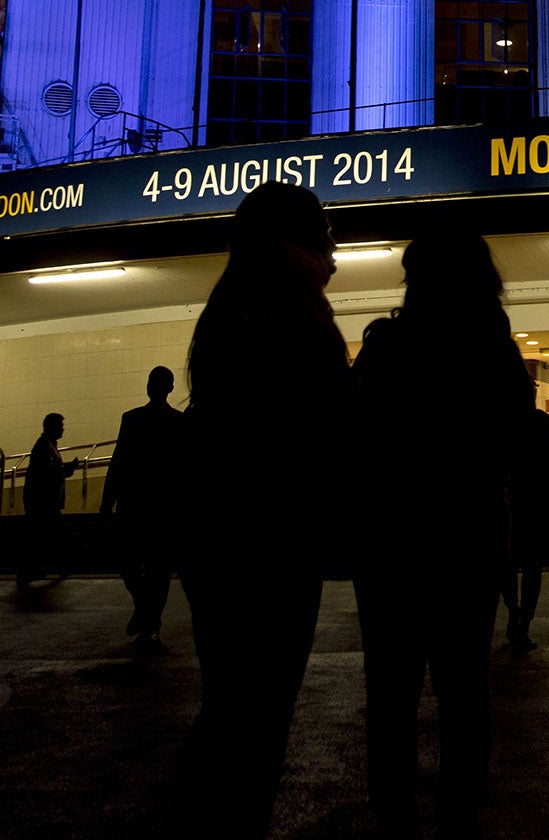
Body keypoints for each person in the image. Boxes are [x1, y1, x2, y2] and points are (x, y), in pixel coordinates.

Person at [170, 182, 353, 837]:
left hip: (222, 536)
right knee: (256, 712)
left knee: (233, 705)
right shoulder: (287, 308)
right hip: (271, 541)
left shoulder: (235, 301)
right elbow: (318, 423)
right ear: (294, 238)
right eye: (325, 231)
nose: (335, 245)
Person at [353, 229, 526, 836]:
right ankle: (460, 815)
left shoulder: (386, 346)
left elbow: (360, 441)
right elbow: (512, 442)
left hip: (391, 539)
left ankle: (393, 816)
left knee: (391, 692)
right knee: (464, 688)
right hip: (468, 534)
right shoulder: (496, 353)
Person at [100, 365, 184, 644]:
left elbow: (119, 462)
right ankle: (148, 612)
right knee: (152, 568)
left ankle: (147, 615)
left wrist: (107, 503)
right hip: (159, 507)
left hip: (139, 505)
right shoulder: (176, 422)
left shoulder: (133, 419)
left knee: (138, 565)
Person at [503, 375, 549, 651]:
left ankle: (514, 611)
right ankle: (523, 621)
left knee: (507, 566)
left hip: (510, 505)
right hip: (535, 505)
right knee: (532, 568)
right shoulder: (544, 424)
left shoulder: (501, 424)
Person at [16, 413, 79, 587]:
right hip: (43, 501)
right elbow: (46, 472)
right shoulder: (44, 446)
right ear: (51, 427)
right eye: (60, 425)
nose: (63, 429)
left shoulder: (47, 445)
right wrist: (67, 469)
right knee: (52, 534)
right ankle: (58, 567)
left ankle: (33, 568)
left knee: (42, 535)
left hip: (45, 501)